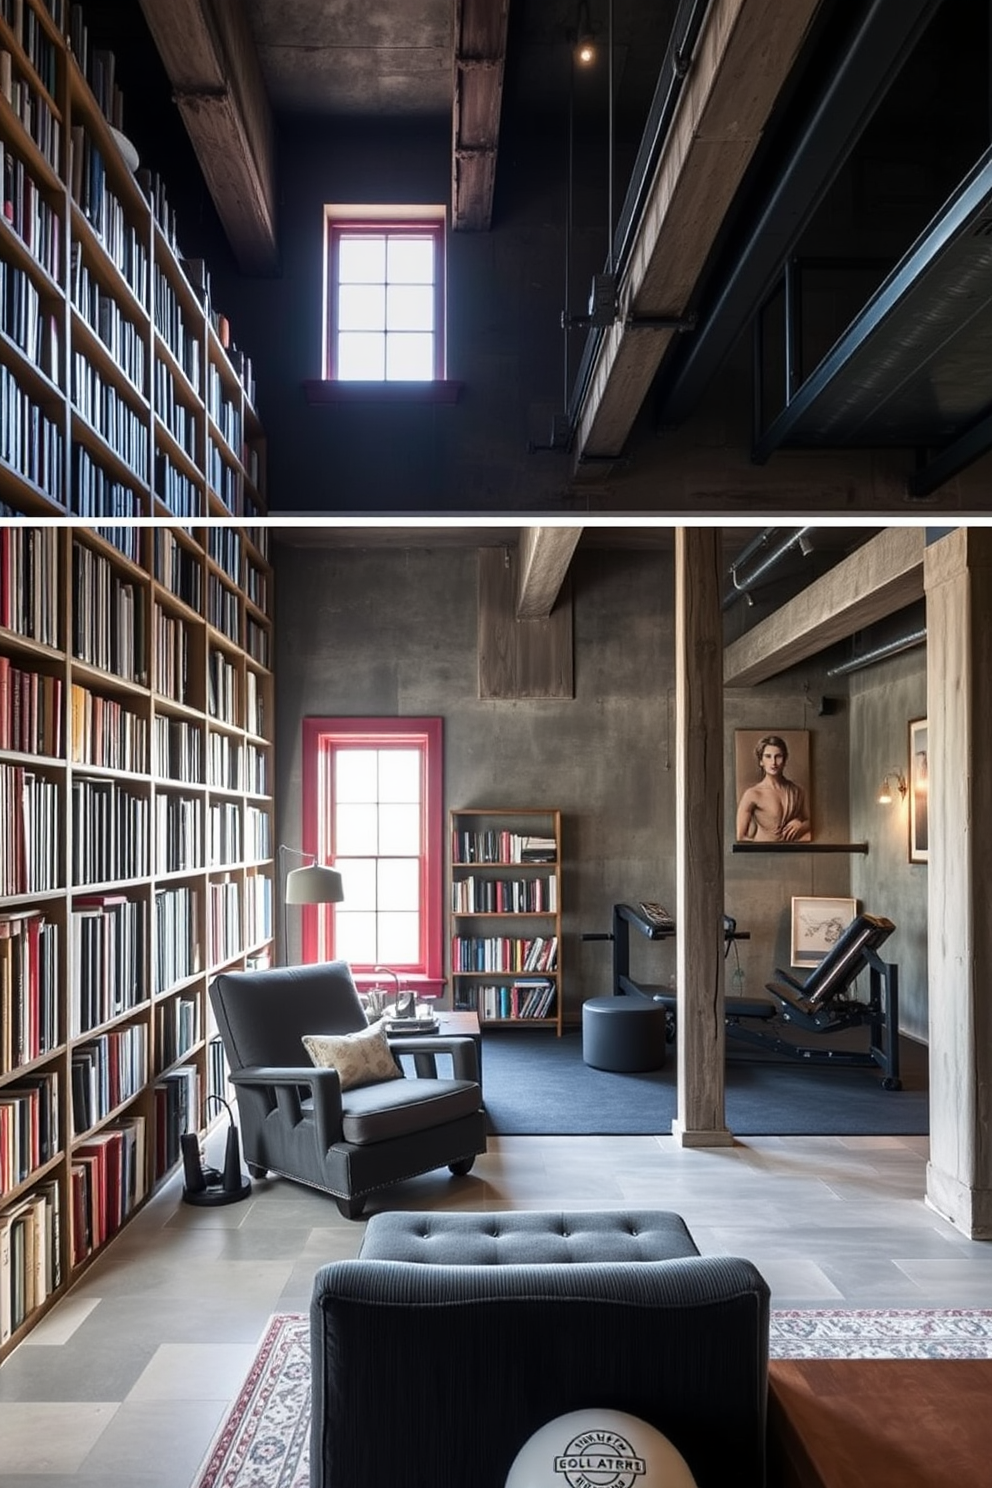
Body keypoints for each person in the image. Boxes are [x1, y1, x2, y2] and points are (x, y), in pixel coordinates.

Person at [735, 734, 811, 842]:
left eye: (778, 756)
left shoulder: (798, 791)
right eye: (768, 756)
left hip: (792, 852)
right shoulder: (752, 794)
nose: (773, 762)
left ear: (784, 760)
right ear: (761, 761)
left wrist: (801, 826)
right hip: (763, 854)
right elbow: (741, 837)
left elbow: (812, 823)